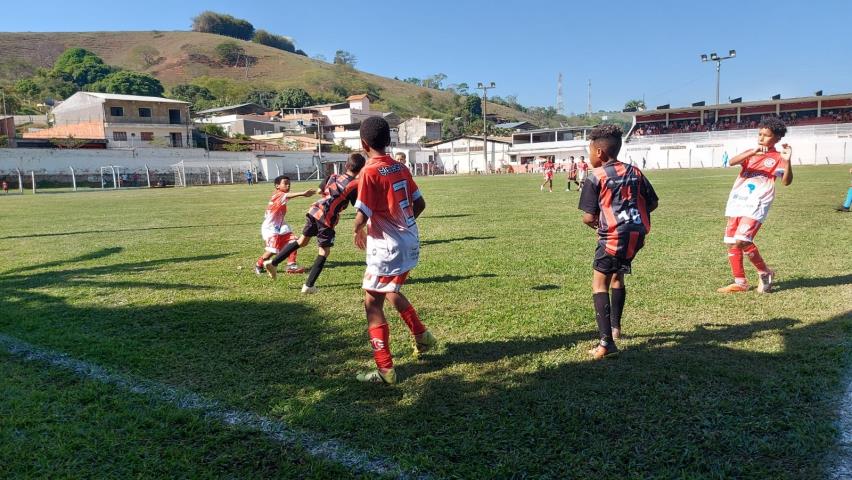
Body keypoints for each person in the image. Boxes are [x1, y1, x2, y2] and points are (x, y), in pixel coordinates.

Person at [352, 116, 436, 384]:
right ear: (389, 141)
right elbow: (420, 204)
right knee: (389, 291)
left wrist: (357, 229)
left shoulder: (369, 171)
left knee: (371, 302)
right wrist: (403, 227)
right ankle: (422, 336)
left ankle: (385, 369)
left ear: (363, 144)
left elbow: (362, 214)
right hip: (409, 241)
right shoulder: (400, 167)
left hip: (387, 248)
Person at [579, 124, 658, 360]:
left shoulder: (596, 177)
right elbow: (653, 202)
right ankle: (615, 328)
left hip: (612, 237)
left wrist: (600, 225)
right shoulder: (635, 172)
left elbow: (588, 218)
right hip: (636, 235)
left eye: (590, 151)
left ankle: (606, 343)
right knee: (617, 276)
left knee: (599, 284)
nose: (589, 156)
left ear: (599, 152)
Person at [264, 153, 366, 292]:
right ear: (362, 168)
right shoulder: (355, 185)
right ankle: (309, 285)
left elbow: (319, 191)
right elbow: (358, 207)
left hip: (314, 211)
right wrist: (360, 228)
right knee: (324, 251)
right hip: (326, 218)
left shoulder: (333, 176)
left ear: (346, 165)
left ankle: (273, 262)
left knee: (302, 241)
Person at [718, 117, 793, 293]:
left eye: (766, 135)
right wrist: (752, 152)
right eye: (760, 134)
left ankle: (765, 272)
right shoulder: (751, 153)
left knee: (742, 240)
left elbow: (786, 182)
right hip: (738, 200)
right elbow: (732, 162)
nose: (761, 138)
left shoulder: (778, 157)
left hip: (758, 202)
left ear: (777, 138)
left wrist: (788, 160)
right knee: (732, 242)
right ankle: (740, 282)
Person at [254, 176, 316, 277]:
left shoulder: (281, 195)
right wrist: (303, 193)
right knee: (272, 251)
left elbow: (287, 196)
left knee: (293, 242)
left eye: (289, 183)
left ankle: (291, 265)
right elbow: (288, 195)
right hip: (270, 228)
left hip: (281, 226)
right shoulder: (278, 194)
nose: (288, 185)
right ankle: (259, 264)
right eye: (285, 183)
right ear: (277, 186)